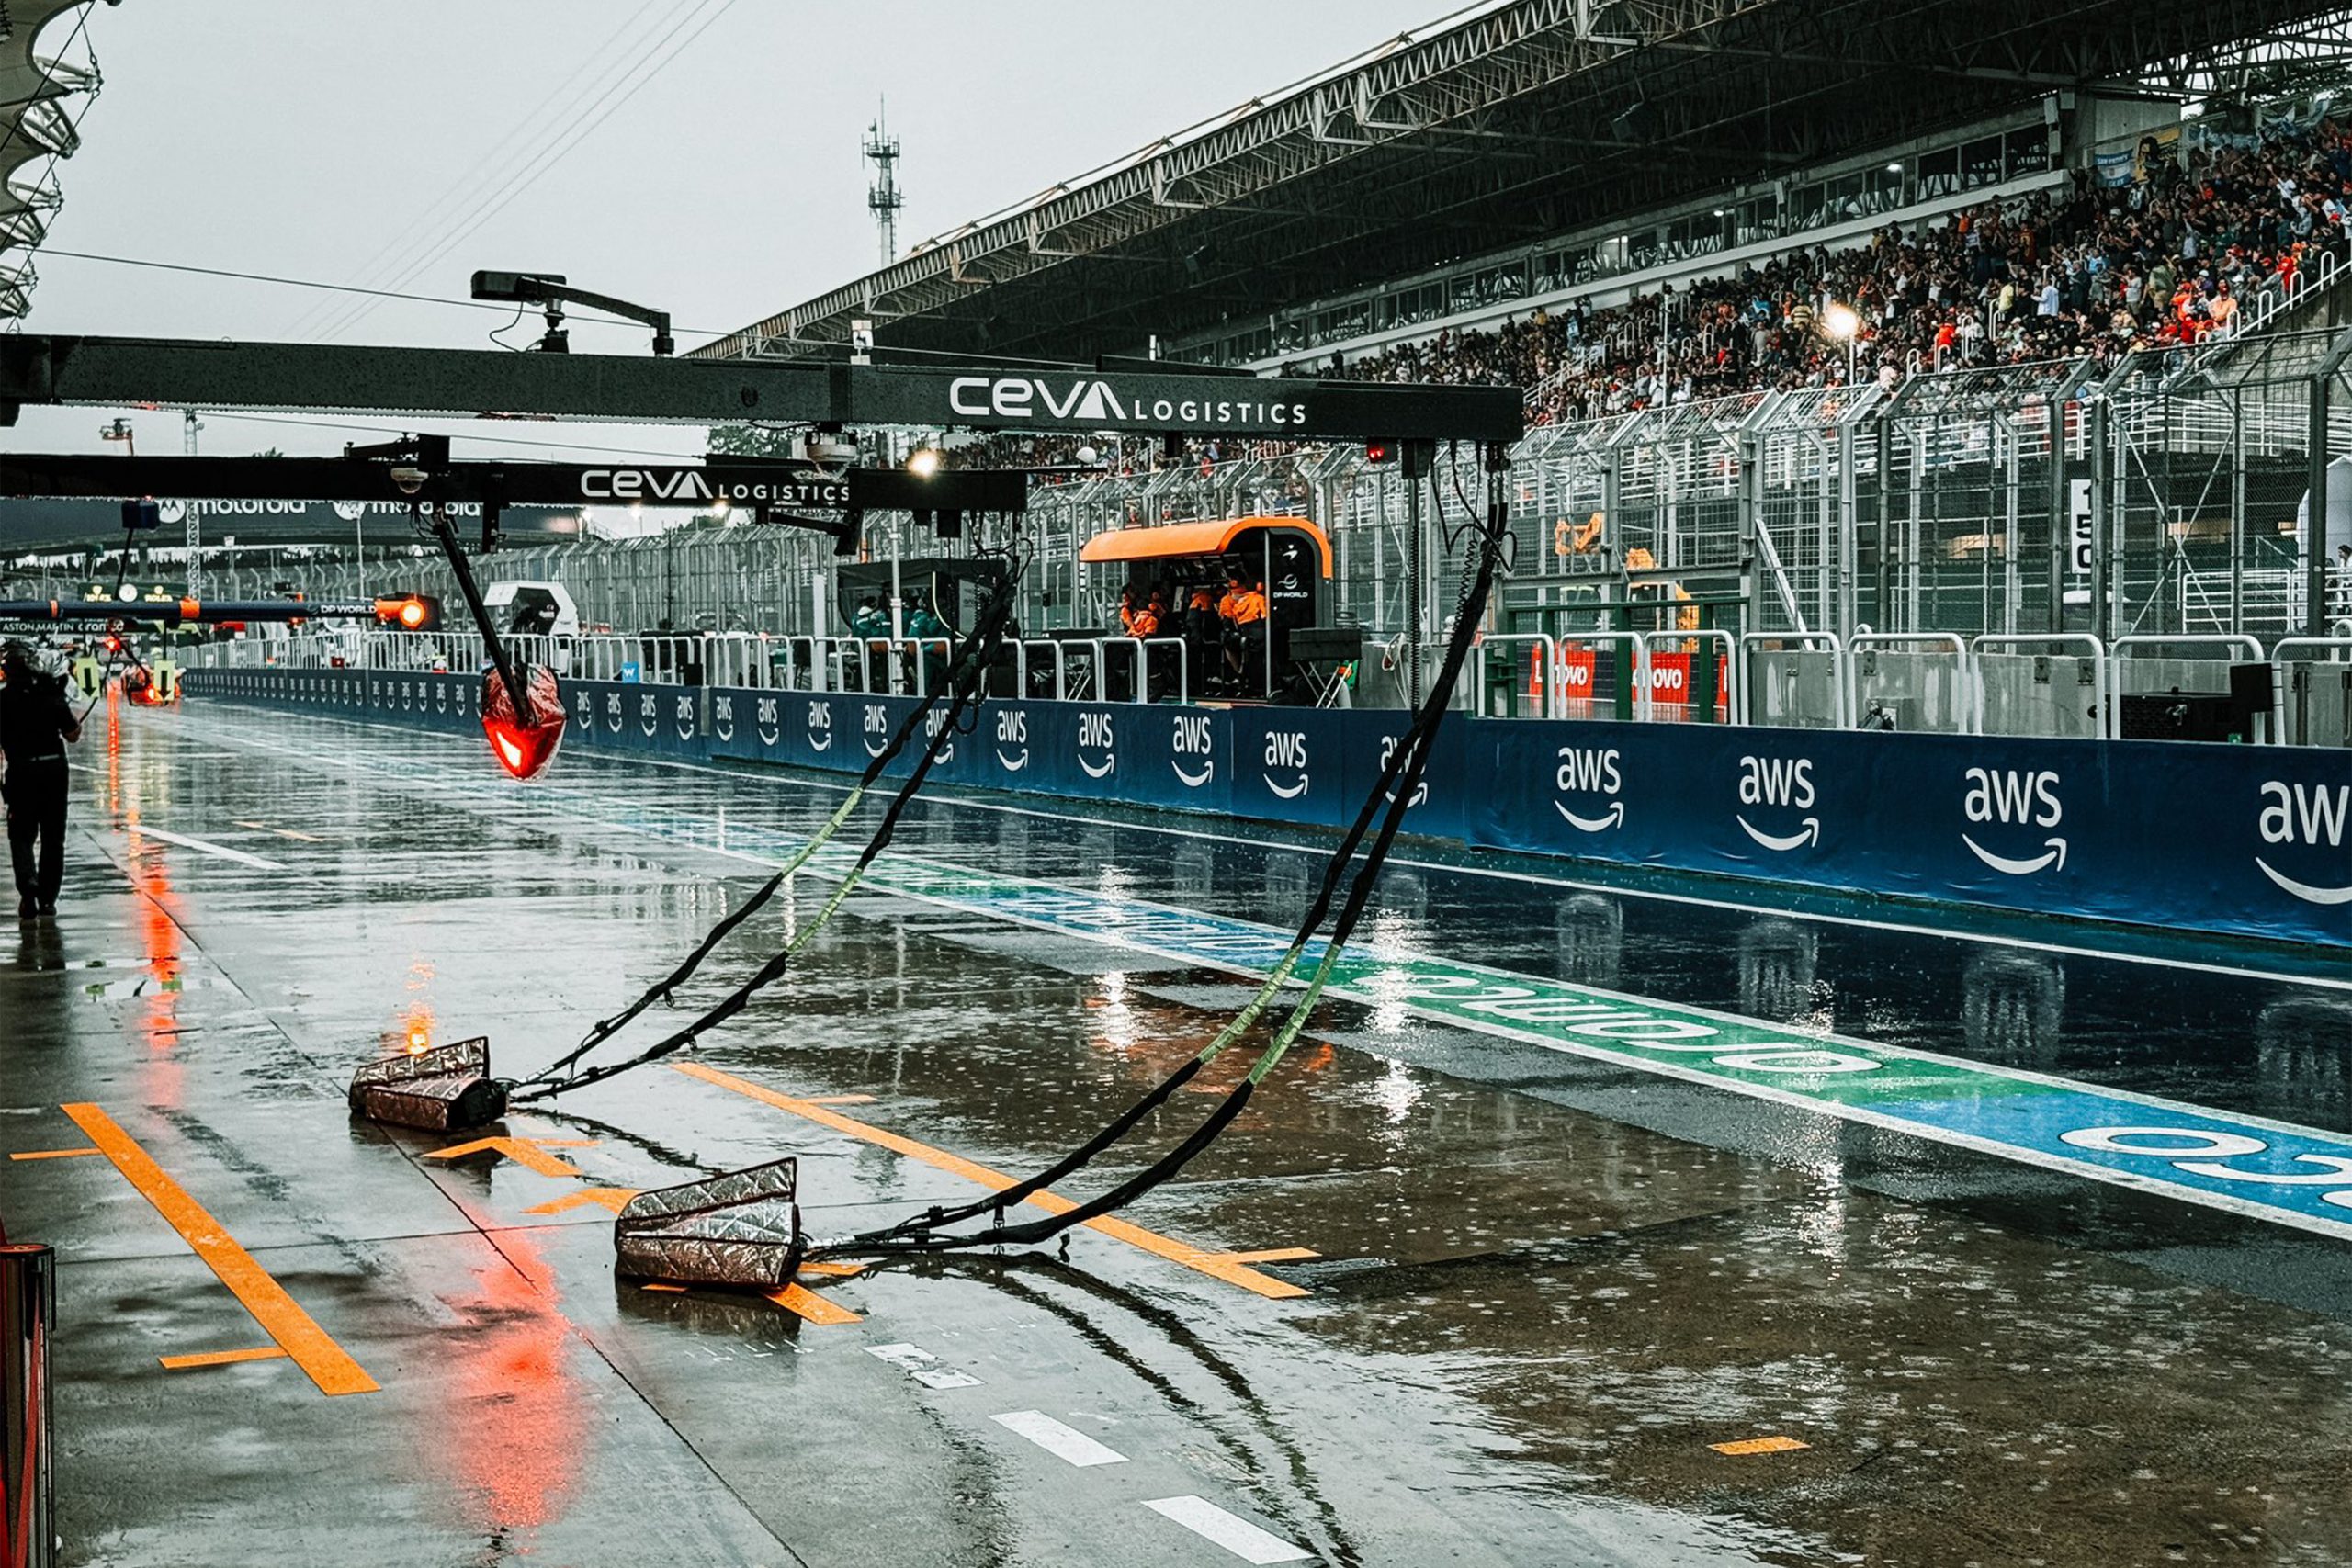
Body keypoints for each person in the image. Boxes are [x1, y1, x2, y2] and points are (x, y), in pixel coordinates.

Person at [0, 641, 82, 919]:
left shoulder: (3, 701)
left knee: (21, 834)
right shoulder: (50, 694)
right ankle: (48, 898)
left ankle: (28, 886)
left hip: (21, 772)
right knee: (53, 837)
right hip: (54, 772)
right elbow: (72, 734)